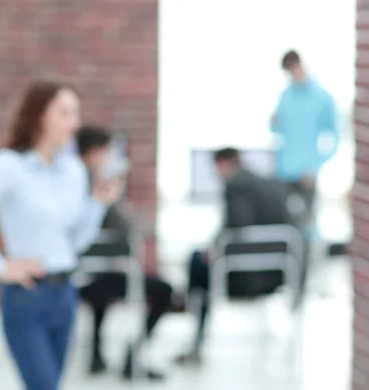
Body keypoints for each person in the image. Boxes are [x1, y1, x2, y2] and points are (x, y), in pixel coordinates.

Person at [0, 81, 122, 390]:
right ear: (40, 116)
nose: (75, 124)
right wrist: (0, 269)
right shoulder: (10, 166)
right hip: (27, 297)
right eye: (66, 113)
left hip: (65, 294)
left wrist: (97, 204)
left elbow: (75, 242)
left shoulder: (73, 170)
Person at [75, 125, 184, 381]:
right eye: (108, 152)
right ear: (94, 153)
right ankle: (132, 357)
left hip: (82, 276)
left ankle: (96, 356)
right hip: (94, 275)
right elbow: (126, 232)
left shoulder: (73, 181)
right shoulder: (96, 187)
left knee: (105, 282)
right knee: (164, 291)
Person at [174, 147, 293, 364]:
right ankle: (188, 309)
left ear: (223, 164)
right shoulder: (269, 182)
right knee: (202, 261)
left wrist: (215, 248)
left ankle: (193, 328)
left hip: (247, 274)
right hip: (279, 272)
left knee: (197, 262)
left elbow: (237, 225)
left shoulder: (236, 185)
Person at [271, 50, 339, 232]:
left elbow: (334, 137)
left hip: (306, 174)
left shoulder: (322, 97)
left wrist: (315, 166)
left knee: (307, 225)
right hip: (284, 171)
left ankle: (307, 259)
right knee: (284, 224)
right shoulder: (285, 95)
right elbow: (278, 130)